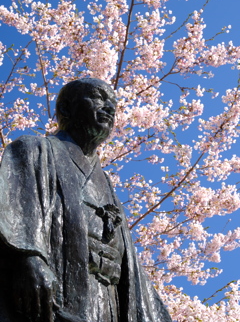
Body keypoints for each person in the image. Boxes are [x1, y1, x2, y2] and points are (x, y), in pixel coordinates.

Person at [0, 78, 172, 322]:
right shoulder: (33, 150)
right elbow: (15, 209)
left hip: (107, 302)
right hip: (53, 292)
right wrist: (30, 257)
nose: (110, 108)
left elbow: (129, 265)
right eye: (99, 98)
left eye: (113, 103)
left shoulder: (108, 185)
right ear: (67, 108)